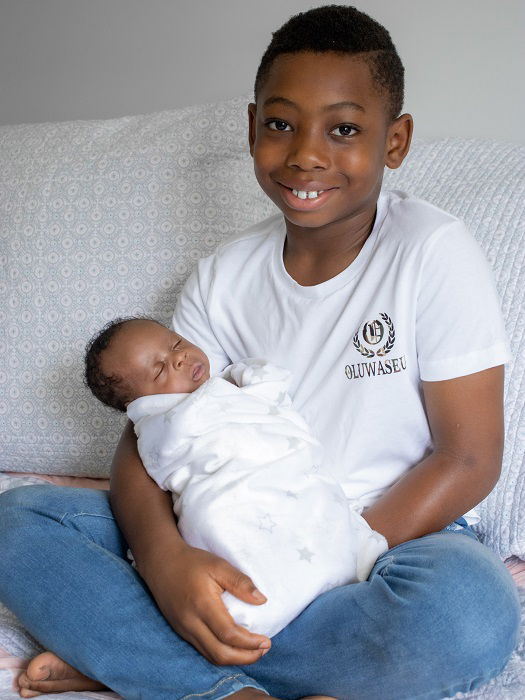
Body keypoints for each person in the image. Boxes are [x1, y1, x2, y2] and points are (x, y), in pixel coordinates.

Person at [0, 5, 520, 700]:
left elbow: (468, 458)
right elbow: (146, 436)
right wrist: (165, 562)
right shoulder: (224, 274)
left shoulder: (430, 251)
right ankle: (221, 680)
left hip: (383, 542)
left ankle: (146, 666)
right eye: (280, 124)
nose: (306, 154)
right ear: (251, 129)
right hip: (229, 529)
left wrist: (326, 555)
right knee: (18, 523)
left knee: (470, 614)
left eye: (343, 129)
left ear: (394, 142)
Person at [84, 316, 388, 638]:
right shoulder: (165, 426)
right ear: (145, 404)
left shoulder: (231, 385)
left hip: (295, 483)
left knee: (363, 562)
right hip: (228, 500)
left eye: (176, 344)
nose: (179, 358)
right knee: (33, 511)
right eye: (160, 370)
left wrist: (244, 383)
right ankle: (234, 629)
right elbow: (164, 454)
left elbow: (271, 394)